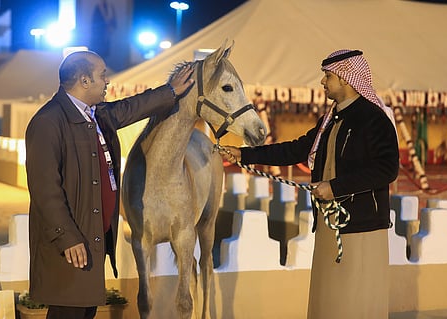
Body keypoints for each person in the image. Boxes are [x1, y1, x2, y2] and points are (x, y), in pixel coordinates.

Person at [219, 49, 399, 319]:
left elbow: (386, 169)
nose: (323, 82)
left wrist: (335, 188)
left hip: (361, 225)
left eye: (328, 76)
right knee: (329, 296)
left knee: (356, 298)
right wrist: (245, 154)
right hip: (329, 221)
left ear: (347, 79)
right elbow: (297, 150)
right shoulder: (330, 119)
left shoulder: (374, 119)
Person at [25, 50, 194, 319]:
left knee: (85, 310)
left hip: (92, 237)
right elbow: (45, 189)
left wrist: (170, 91)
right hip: (71, 243)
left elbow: (132, 107)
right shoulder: (49, 122)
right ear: (84, 80)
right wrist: (68, 238)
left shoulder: (97, 115)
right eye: (102, 75)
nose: (108, 81)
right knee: (69, 310)